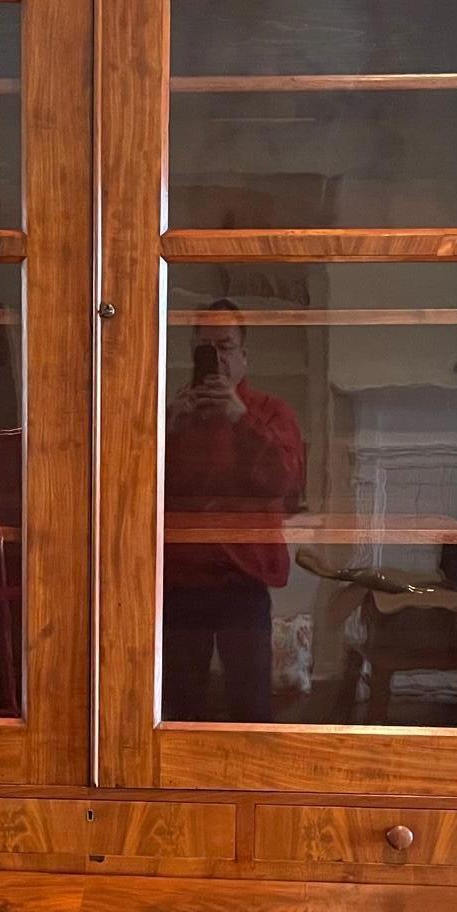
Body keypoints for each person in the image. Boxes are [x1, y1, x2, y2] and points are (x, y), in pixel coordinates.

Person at [163, 301, 305, 721]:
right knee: (178, 704)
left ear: (245, 356)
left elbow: (285, 482)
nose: (218, 359)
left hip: (244, 577)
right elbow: (140, 488)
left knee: (250, 703)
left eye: (226, 346)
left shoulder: (270, 412)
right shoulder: (173, 415)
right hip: (179, 578)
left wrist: (240, 419)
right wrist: (168, 429)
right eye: (206, 348)